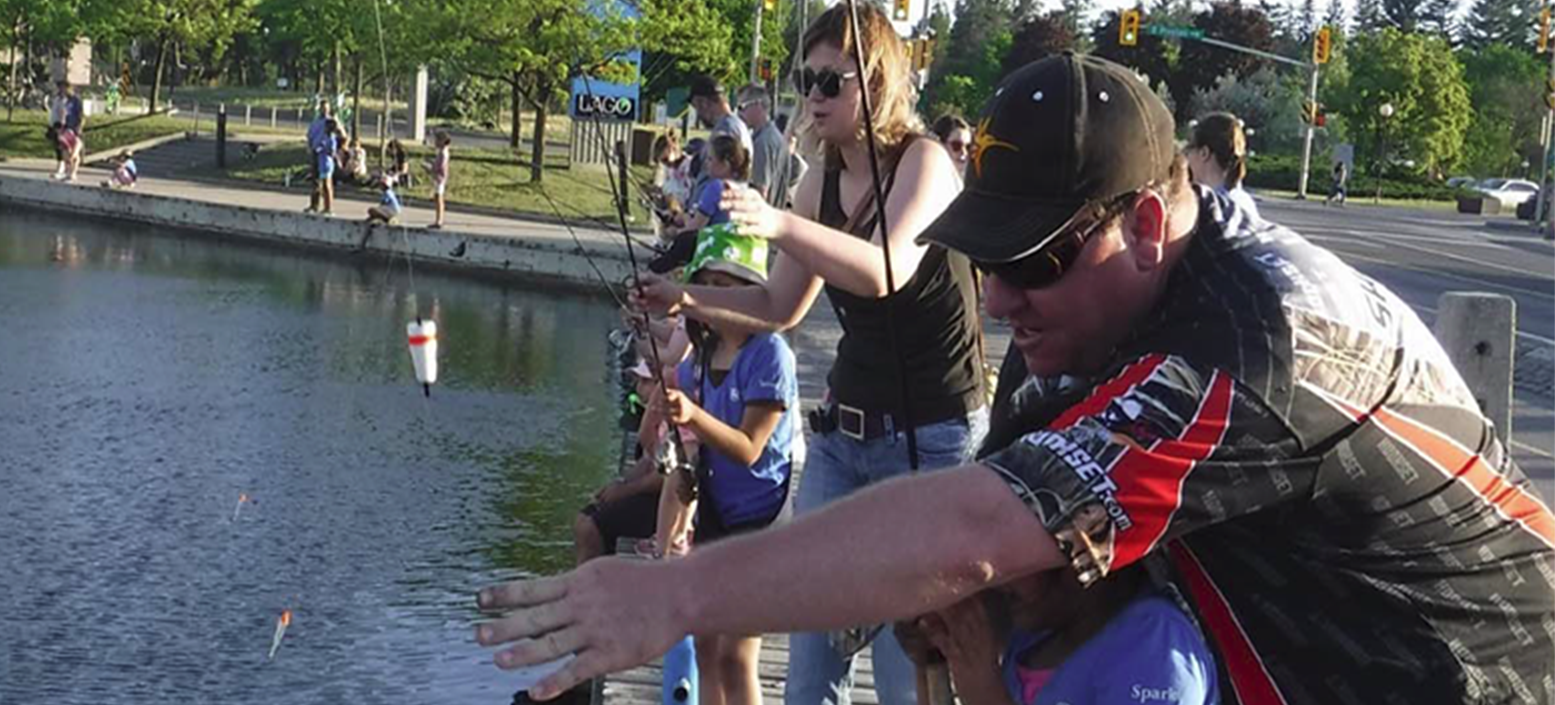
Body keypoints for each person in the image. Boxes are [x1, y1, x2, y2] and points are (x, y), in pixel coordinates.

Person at [477, 50, 1555, 705]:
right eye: (984, 261)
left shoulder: (1261, 336)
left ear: (1144, 225)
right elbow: (978, 553)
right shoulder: (1097, 336)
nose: (995, 301)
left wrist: (674, 594)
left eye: (1031, 262)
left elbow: (970, 531)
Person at [630, 7, 990, 703]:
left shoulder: (925, 164)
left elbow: (884, 268)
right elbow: (777, 307)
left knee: (902, 662)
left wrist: (780, 223)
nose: (814, 95)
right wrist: (684, 299)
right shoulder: (815, 182)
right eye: (806, 79)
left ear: (878, 81)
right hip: (841, 439)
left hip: (932, 437)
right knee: (811, 659)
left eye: (831, 79)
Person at [648, 225, 796, 705]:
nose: (721, 299)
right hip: (715, 511)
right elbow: (692, 430)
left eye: (734, 289)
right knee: (707, 647)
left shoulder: (770, 354)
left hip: (762, 522)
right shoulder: (702, 354)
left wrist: (693, 416)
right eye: (711, 286)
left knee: (738, 655)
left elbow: (750, 447)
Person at [899, 563, 1216, 705]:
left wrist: (986, 697)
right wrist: (937, 657)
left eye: (1014, 557)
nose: (995, 577)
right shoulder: (1034, 631)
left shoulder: (1154, 651)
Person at [1184, 112, 1259, 222]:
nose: (1187, 159)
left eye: (1189, 151)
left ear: (1204, 153)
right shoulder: (1244, 202)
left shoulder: (1208, 209)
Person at [675, 135, 749, 235]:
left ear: (725, 164)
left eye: (710, 159)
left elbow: (695, 228)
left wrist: (677, 227)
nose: (706, 163)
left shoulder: (715, 188)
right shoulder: (744, 188)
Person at [689, 75, 755, 182]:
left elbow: (724, 172)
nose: (698, 114)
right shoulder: (731, 125)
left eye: (697, 107)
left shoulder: (727, 128)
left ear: (704, 103)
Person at [738, 84, 792, 202]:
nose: (739, 114)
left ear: (758, 105)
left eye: (742, 107)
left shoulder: (763, 143)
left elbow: (760, 193)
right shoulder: (774, 136)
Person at [428, 130, 452, 229]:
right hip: (439, 177)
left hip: (439, 178)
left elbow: (440, 166)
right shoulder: (442, 152)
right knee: (437, 197)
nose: (435, 142)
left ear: (442, 141)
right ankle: (438, 220)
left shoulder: (443, 153)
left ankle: (439, 221)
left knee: (438, 198)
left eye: (437, 140)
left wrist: (430, 168)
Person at [48, 80, 72, 178]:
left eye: (63, 87)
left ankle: (63, 169)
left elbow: (65, 113)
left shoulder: (67, 100)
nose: (61, 89)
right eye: (60, 87)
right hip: (55, 124)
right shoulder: (57, 99)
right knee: (57, 147)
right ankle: (61, 167)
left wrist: (62, 126)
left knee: (62, 148)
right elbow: (53, 112)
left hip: (62, 125)